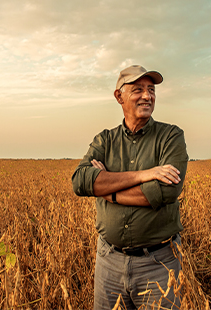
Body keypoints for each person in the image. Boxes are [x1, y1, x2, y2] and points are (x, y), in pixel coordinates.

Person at [71, 65, 188, 309]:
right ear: (119, 96)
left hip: (159, 264)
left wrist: (108, 189)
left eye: (151, 90)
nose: (147, 96)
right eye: (138, 90)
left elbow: (166, 191)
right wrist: (145, 175)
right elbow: (81, 181)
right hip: (109, 262)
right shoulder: (105, 140)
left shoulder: (171, 137)